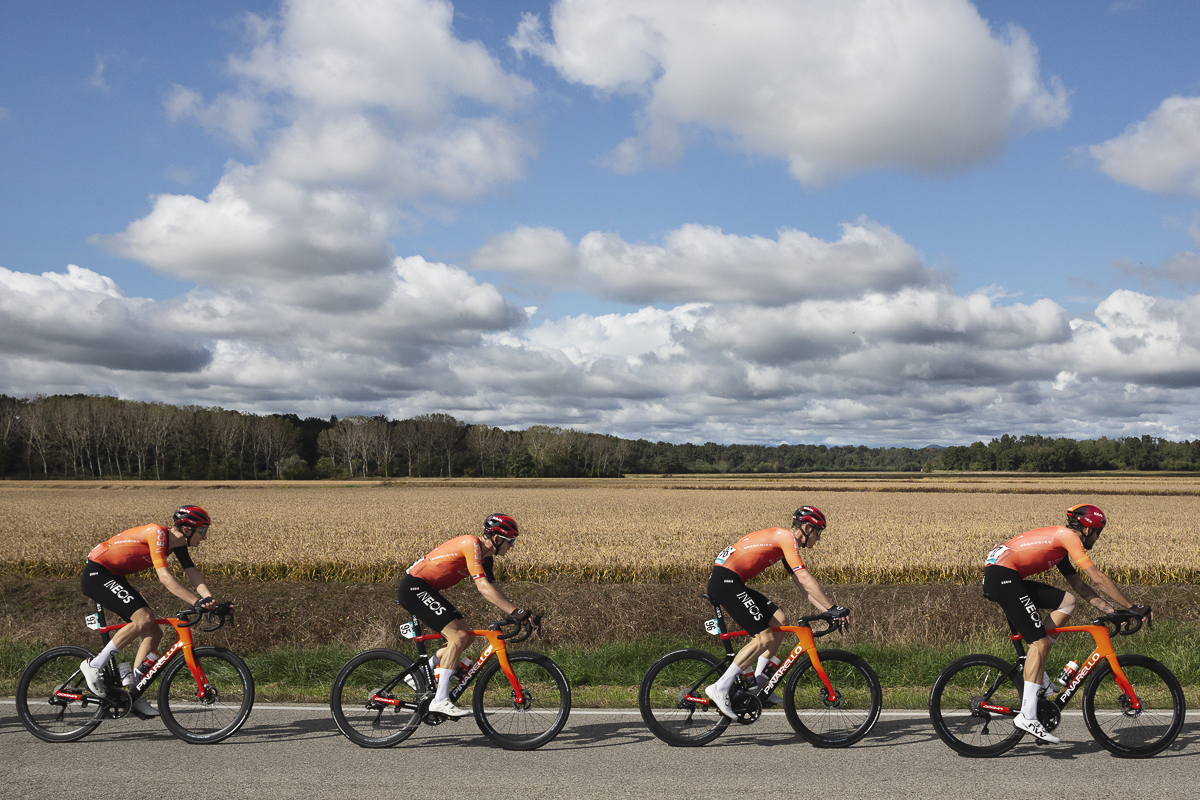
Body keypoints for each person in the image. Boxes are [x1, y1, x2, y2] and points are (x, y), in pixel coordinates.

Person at [982, 503, 1151, 744]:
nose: (1097, 537)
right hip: (1003, 577)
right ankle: (1027, 716)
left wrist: (1114, 612)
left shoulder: (1059, 546)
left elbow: (1080, 587)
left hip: (1005, 576)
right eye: (1098, 532)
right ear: (1087, 529)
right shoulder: (1068, 536)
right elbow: (1097, 579)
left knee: (1068, 602)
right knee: (1038, 643)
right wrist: (1133, 607)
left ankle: (1039, 675)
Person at [703, 506, 848, 720]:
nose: (818, 539)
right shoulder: (786, 538)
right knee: (764, 638)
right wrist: (834, 607)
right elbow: (806, 578)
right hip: (726, 582)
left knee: (780, 622)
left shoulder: (783, 542)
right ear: (807, 528)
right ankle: (721, 687)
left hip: (731, 581)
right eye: (818, 532)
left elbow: (801, 584)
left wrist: (827, 611)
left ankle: (759, 682)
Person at [79, 505, 216, 717]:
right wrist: (195, 601)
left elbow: (193, 573)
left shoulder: (177, 544)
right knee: (144, 617)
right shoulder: (157, 534)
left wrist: (210, 600)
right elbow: (164, 577)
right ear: (188, 530)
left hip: (114, 575)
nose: (205, 537)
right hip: (98, 573)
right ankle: (94, 665)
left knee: (154, 632)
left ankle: (133, 693)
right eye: (203, 531)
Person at [397, 513, 530, 718]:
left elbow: (495, 590)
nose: (511, 546)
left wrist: (518, 612)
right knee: (457, 637)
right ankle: (440, 700)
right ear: (497, 539)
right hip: (414, 587)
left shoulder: (487, 559)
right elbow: (483, 588)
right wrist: (515, 612)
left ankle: (422, 673)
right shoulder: (471, 544)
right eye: (510, 541)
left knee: (466, 636)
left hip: (427, 589)